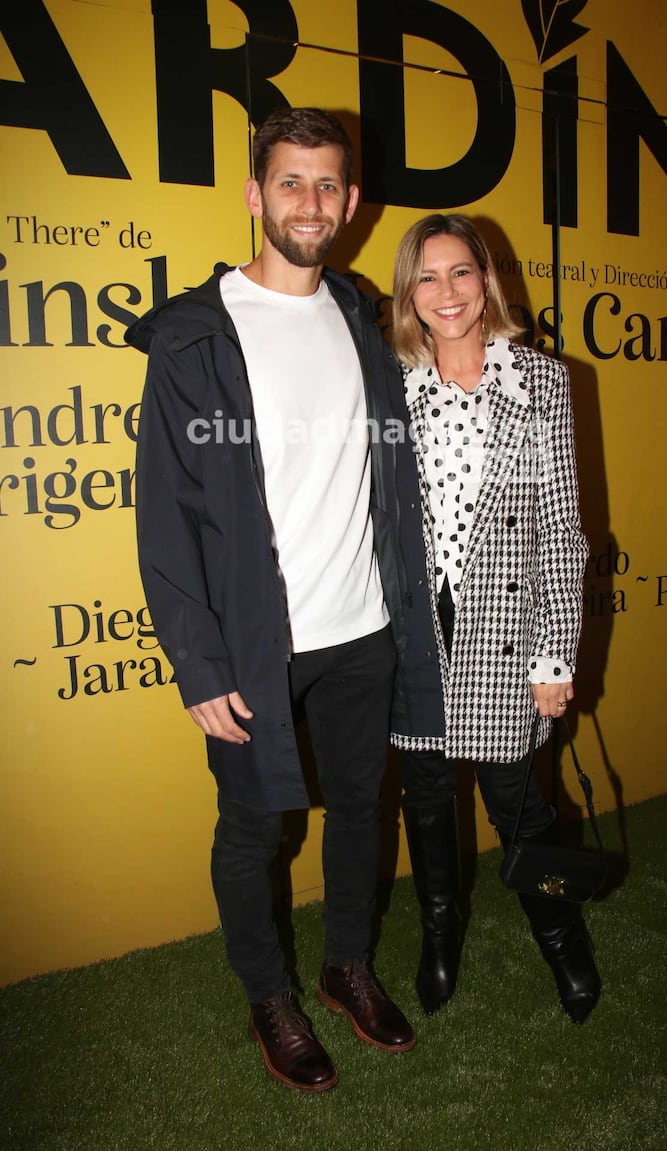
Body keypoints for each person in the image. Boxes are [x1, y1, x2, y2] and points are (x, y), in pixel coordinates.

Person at [126, 108, 443, 1093]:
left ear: (351, 202)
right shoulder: (195, 335)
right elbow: (164, 517)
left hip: (362, 629)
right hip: (254, 641)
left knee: (358, 808)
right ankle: (268, 994)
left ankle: (346, 965)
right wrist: (198, 661)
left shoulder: (360, 317)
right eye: (290, 182)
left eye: (326, 184)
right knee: (253, 826)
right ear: (255, 195)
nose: (309, 202)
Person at [390, 213, 601, 1024]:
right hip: (416, 628)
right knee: (426, 795)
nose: (445, 291)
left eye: (460, 272)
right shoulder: (391, 386)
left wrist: (553, 656)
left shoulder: (541, 381)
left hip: (502, 628)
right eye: (426, 276)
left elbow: (561, 529)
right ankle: (440, 930)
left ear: (486, 280)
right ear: (409, 292)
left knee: (518, 800)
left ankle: (558, 933)